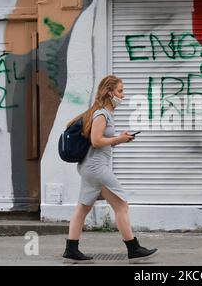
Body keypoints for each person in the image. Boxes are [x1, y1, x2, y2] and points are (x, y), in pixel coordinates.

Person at [62, 75, 158, 264]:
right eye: (120, 91)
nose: (123, 95)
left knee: (83, 208)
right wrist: (118, 139)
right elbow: (96, 141)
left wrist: (120, 138)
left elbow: (101, 143)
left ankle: (71, 250)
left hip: (90, 167)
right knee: (121, 205)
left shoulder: (101, 113)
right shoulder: (101, 114)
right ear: (109, 92)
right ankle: (133, 249)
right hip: (97, 168)